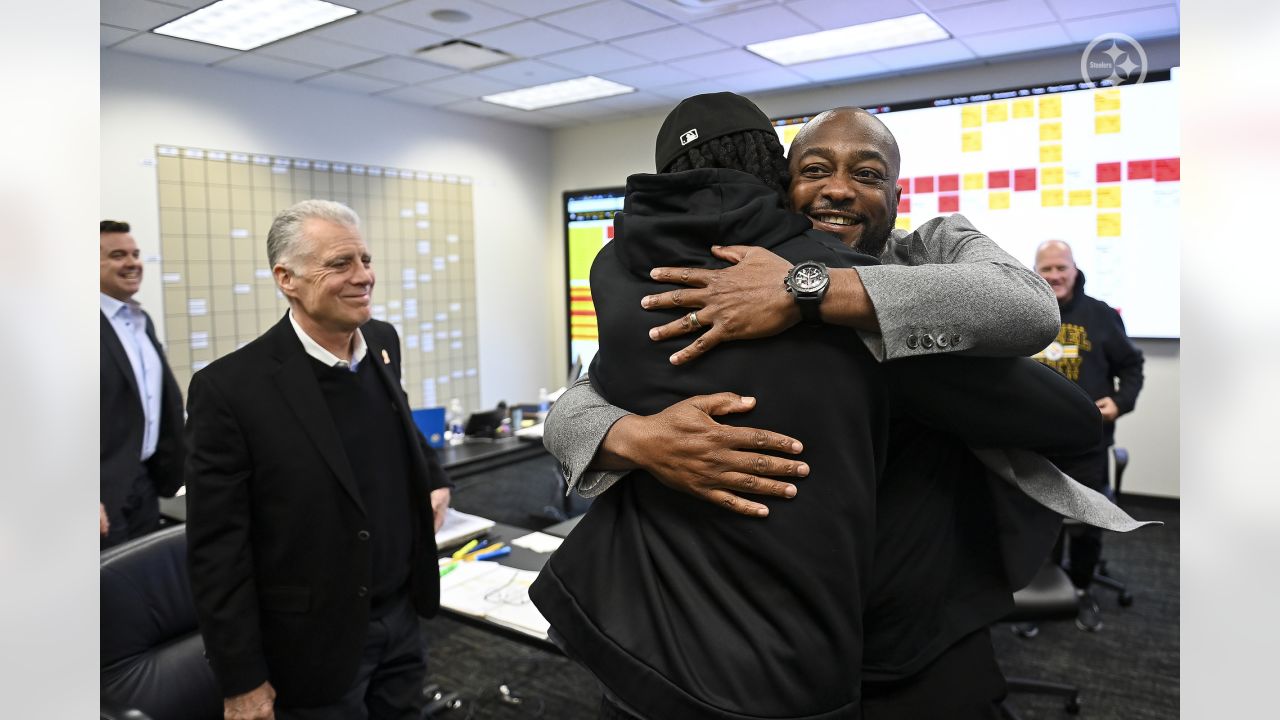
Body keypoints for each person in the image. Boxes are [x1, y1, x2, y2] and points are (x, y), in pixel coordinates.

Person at [544, 107, 1147, 718]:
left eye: (866, 173)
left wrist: (807, 291)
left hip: (915, 619)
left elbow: (1029, 311)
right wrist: (635, 437)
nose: (838, 188)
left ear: (895, 193)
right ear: (783, 187)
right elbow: (588, 391)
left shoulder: (926, 254)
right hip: (763, 626)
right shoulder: (729, 283)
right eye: (814, 170)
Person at [185, 200, 453, 720]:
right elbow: (217, 551)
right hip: (314, 640)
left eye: (366, 259)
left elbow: (398, 428)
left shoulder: (381, 341)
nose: (364, 276)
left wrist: (433, 477)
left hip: (400, 615)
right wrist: (242, 679)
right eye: (341, 264)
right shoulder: (229, 389)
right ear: (287, 278)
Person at [1033, 239, 1145, 631]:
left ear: (1075, 269)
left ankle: (1080, 591)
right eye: (1046, 269)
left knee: (1083, 523)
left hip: (1087, 445)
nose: (1054, 276)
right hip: (1034, 443)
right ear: (1036, 272)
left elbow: (1132, 365)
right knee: (1038, 522)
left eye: (1060, 268)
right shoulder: (1025, 313)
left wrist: (1119, 402)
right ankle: (1041, 593)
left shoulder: (1099, 315)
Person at [100, 219, 185, 549]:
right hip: (103, 494)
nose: (132, 263)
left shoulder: (139, 320)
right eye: (118, 255)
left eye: (135, 254)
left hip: (146, 483)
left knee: (142, 590)